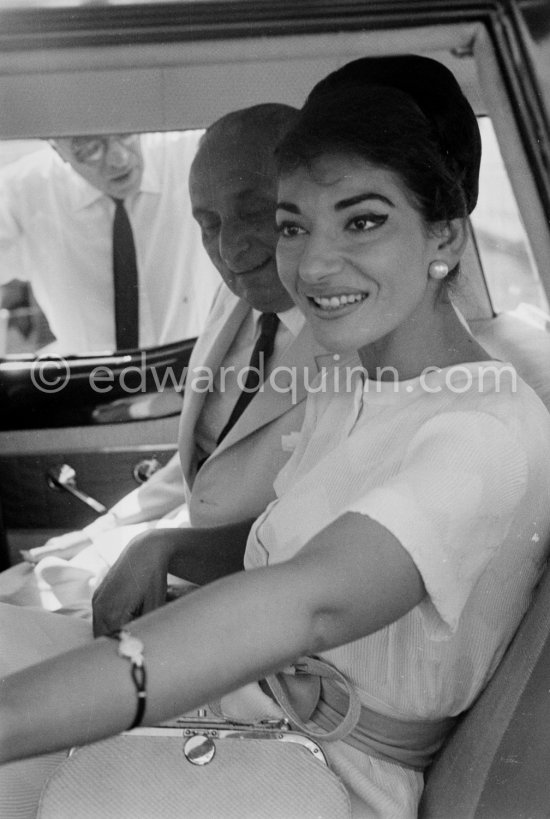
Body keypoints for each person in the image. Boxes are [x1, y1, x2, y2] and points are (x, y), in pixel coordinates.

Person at [2, 55, 550, 819]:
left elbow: (311, 600)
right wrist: (173, 547)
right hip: (248, 713)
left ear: (447, 235)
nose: (313, 263)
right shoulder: (350, 381)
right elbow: (310, 535)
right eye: (294, 225)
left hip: (323, 774)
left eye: (363, 220)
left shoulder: (483, 431)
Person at [0, 102, 340, 617]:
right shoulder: (238, 297)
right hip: (176, 545)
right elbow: (208, 462)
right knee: (17, 592)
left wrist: (161, 550)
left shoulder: (361, 346)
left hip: (249, 593)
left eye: (255, 212)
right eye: (208, 223)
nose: (229, 249)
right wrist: (104, 532)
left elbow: (323, 538)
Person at [0, 131, 220, 353]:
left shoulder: (190, 152)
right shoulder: (21, 193)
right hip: (90, 379)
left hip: (199, 367)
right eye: (89, 149)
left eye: (126, 134)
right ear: (57, 149)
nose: (120, 159)